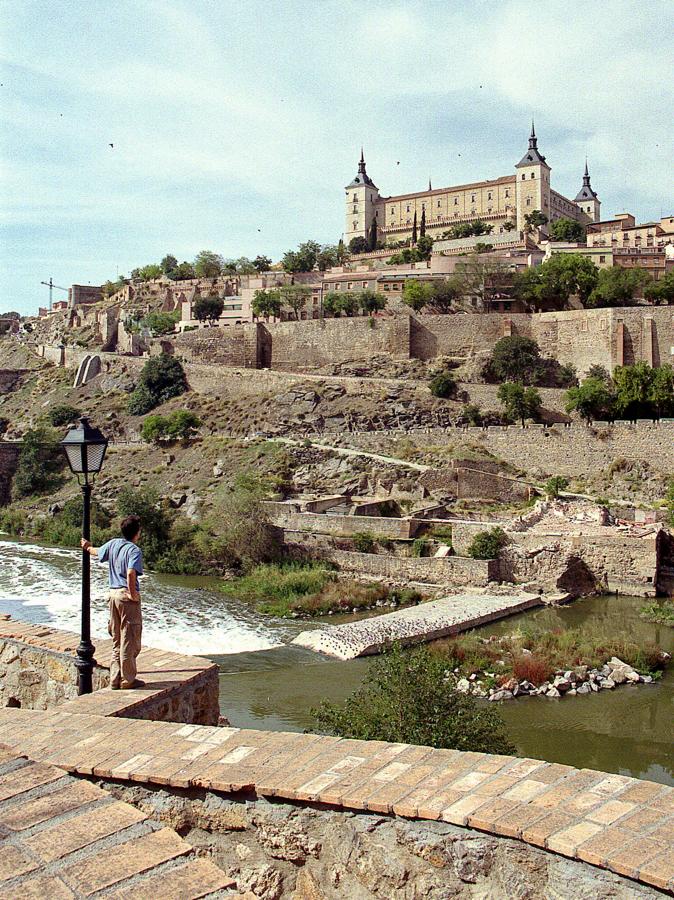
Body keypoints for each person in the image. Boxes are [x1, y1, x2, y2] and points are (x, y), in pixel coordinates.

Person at [81, 515, 145, 690]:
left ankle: (115, 679)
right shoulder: (134, 550)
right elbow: (131, 573)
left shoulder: (114, 543)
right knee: (129, 638)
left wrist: (87, 546)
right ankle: (128, 680)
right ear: (137, 532)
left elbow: (96, 552)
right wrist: (133, 594)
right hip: (125, 597)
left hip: (112, 595)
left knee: (117, 638)